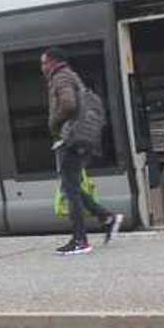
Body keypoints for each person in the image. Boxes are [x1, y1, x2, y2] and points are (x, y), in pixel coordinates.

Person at [42, 47, 123, 256]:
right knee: (72, 186)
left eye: (44, 63)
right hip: (83, 138)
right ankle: (106, 217)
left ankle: (81, 240)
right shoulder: (72, 76)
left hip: (71, 139)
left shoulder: (60, 78)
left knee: (70, 189)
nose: (42, 67)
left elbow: (68, 105)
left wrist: (53, 123)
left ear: (52, 62)